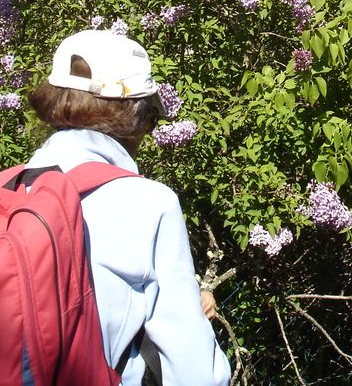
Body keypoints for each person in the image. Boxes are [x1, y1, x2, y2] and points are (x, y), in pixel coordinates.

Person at [27, 29, 231, 386]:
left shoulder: (10, 189)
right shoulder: (149, 203)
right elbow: (193, 370)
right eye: (151, 118)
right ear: (134, 117)